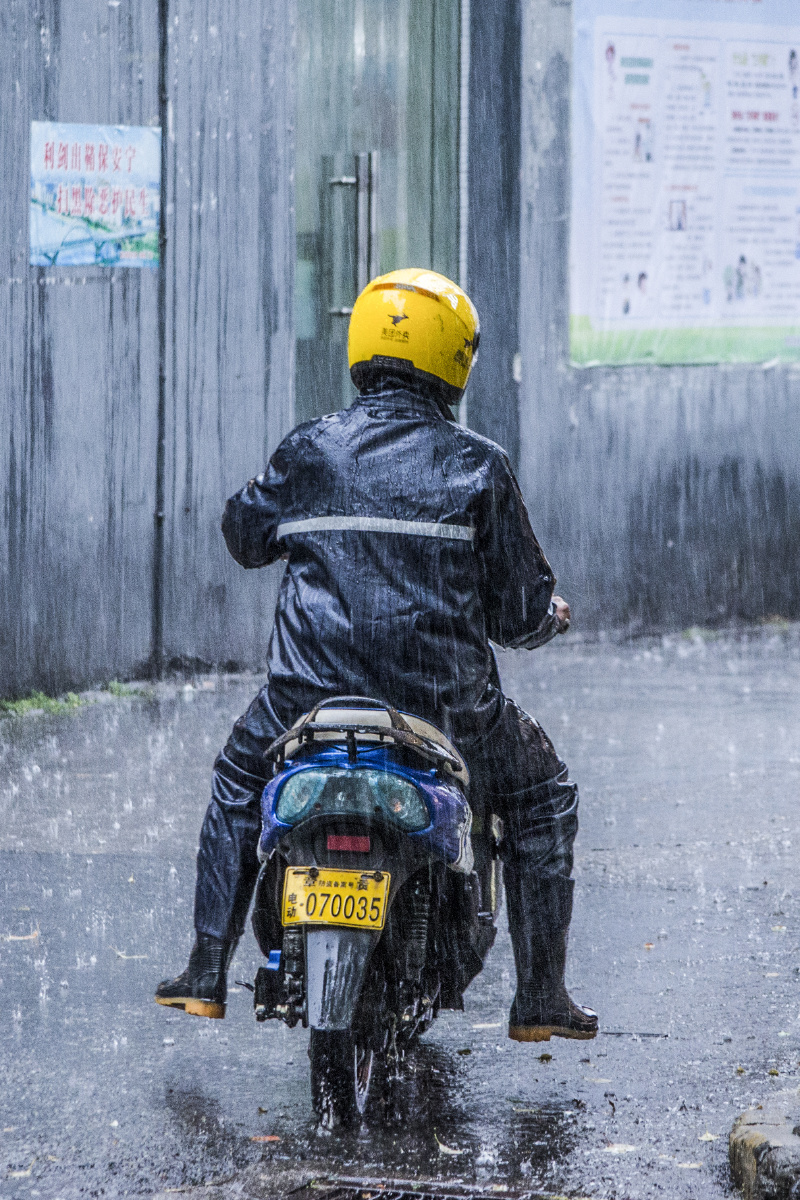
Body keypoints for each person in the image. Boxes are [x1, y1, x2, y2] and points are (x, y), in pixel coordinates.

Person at [155, 268, 598, 1044]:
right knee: (541, 795)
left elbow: (242, 535)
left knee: (237, 781)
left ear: (361, 346)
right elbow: (521, 613)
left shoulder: (311, 449)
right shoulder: (478, 465)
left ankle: (203, 970)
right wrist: (544, 619)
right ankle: (540, 996)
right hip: (447, 712)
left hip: (305, 707)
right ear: (455, 362)